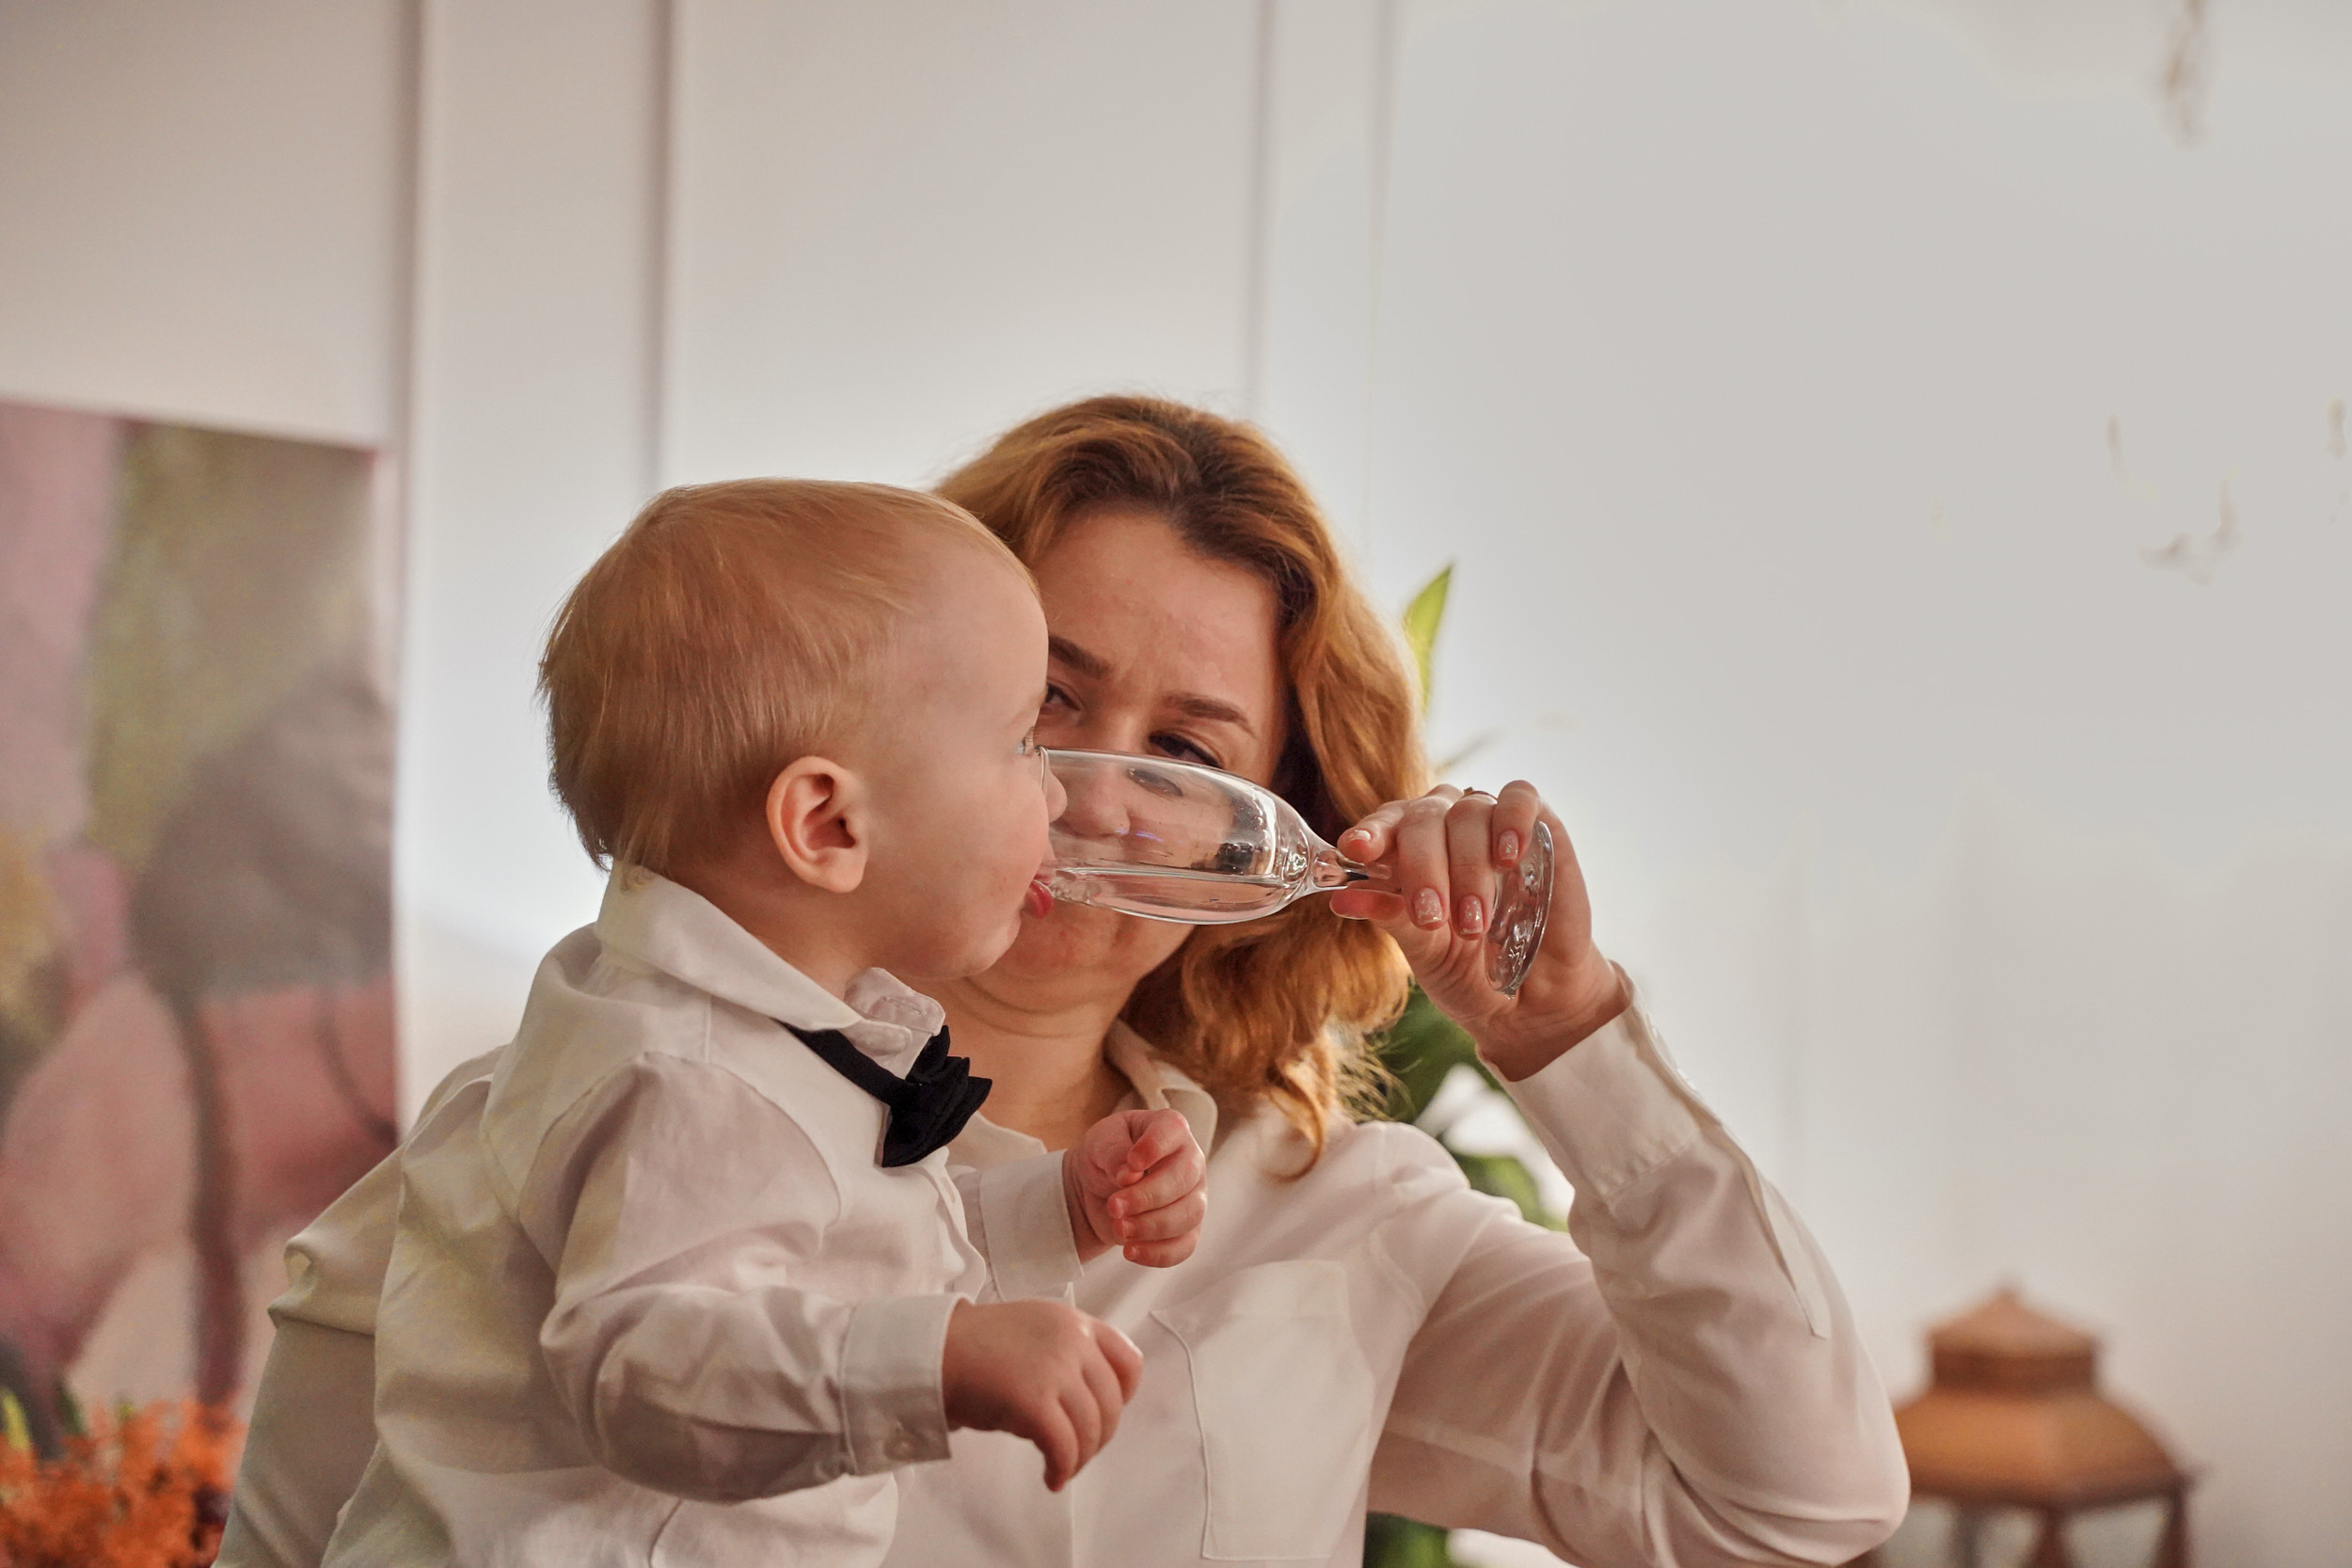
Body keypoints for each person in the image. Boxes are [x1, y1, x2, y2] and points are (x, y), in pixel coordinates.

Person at [224, 402, 1909, 1568]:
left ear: (1287, 832)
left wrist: (1568, 1037)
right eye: (1041, 705)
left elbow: (1797, 1508)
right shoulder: (547, 1133)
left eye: (1187, 749)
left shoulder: (1342, 1220)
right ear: (853, 747)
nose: (1092, 797)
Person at [257, 479, 1210, 1568]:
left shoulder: (745, 1037)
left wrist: (1051, 1210)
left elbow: (819, 1252)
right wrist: (933, 1359)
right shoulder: (686, 1076)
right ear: (826, 823)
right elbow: (646, 1364)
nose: (1058, 801)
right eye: (1020, 742)